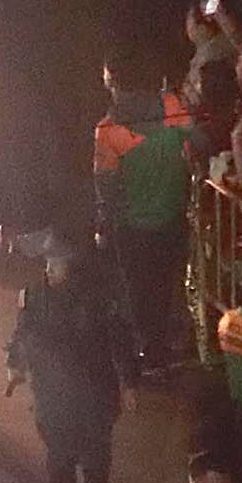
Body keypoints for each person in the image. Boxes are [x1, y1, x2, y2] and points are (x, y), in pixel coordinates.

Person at [8, 235, 128, 483]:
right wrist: (16, 363)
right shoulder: (35, 297)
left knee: (96, 459)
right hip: (53, 393)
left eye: (57, 265)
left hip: (93, 393)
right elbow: (23, 331)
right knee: (60, 459)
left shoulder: (98, 300)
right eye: (48, 264)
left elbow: (119, 339)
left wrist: (129, 382)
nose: (49, 270)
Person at [91, 62, 193, 379]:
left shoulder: (109, 130)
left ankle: (152, 353)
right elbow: (196, 140)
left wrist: (104, 223)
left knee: (139, 291)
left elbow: (106, 185)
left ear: (113, 82)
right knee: (169, 283)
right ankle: (174, 344)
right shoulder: (171, 105)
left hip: (133, 224)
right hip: (174, 213)